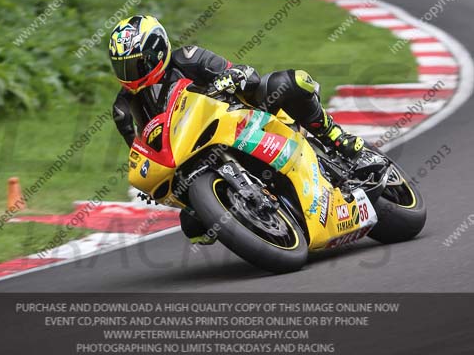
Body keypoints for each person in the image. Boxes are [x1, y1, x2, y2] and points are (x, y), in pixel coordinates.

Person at [110, 14, 363, 244]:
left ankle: (334, 137)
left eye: (135, 65)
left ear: (157, 51)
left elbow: (245, 74)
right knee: (193, 227)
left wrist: (231, 77)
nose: (130, 74)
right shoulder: (123, 108)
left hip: (242, 116)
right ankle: (252, 219)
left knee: (290, 82)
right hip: (190, 151)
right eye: (122, 67)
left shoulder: (187, 58)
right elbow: (139, 148)